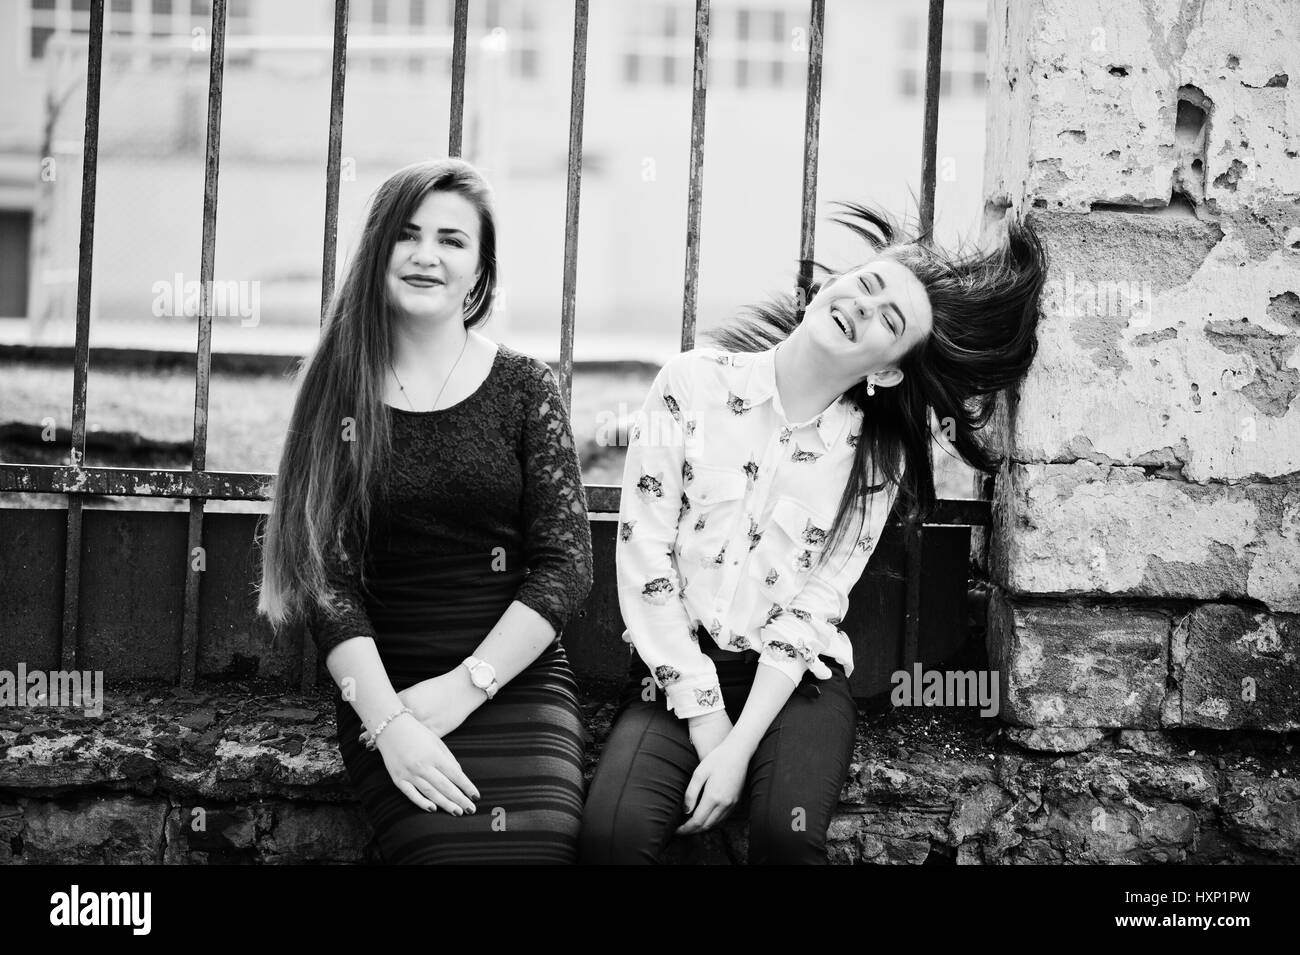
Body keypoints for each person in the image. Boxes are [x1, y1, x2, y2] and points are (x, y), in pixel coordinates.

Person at [578, 203, 1046, 864]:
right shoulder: (690, 385)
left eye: (890, 319)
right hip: (674, 672)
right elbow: (645, 558)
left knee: (785, 837)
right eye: (867, 284)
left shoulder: (876, 460)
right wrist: (707, 716)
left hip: (797, 680)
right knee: (611, 839)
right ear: (831, 285)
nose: (863, 306)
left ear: (887, 370)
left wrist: (738, 748)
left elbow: (818, 600)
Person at [256, 158, 593, 864]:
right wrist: (392, 723)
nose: (426, 255)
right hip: (388, 679)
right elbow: (326, 583)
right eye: (408, 235)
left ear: (480, 270)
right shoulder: (336, 393)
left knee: (537, 848)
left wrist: (470, 684)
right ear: (379, 251)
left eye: (452, 240)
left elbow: (566, 566)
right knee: (446, 852)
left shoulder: (526, 388)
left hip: (514, 678)